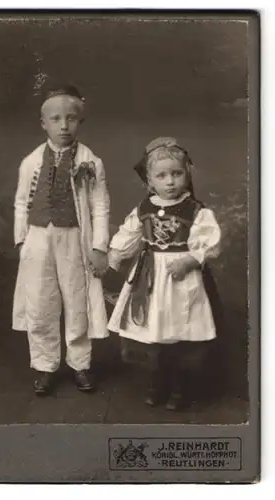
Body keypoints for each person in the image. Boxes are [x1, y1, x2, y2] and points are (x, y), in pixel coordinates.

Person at [106, 137, 221, 410]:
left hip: (180, 277)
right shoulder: (144, 209)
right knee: (154, 332)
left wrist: (192, 259)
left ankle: (179, 389)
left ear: (186, 174)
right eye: (162, 175)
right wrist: (114, 256)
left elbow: (211, 244)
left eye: (176, 174)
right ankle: (157, 384)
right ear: (149, 180)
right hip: (151, 275)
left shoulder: (196, 211)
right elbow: (129, 234)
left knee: (178, 332)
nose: (170, 181)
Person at [12, 83, 110, 396]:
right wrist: (21, 240)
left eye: (71, 118)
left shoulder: (91, 161)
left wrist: (99, 247)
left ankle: (80, 363)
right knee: (40, 300)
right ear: (44, 123)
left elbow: (100, 205)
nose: (64, 125)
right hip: (39, 237)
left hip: (74, 237)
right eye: (55, 119)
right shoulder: (30, 162)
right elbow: (20, 202)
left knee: (76, 298)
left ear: (80, 122)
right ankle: (44, 365)